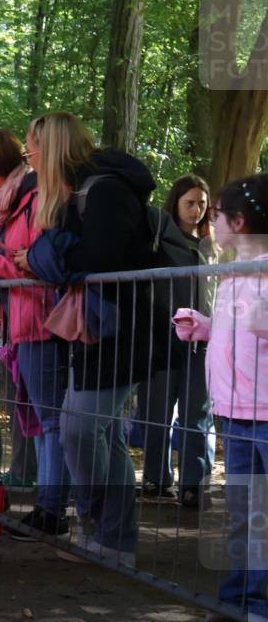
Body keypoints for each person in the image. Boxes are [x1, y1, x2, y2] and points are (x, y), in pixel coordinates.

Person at [22, 111, 158, 567]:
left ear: (50, 148)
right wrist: (47, 254)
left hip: (121, 328)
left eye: (32, 147)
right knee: (102, 432)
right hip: (100, 326)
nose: (29, 156)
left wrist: (45, 253)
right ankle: (113, 539)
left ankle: (97, 522)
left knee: (80, 428)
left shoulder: (104, 191)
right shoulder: (79, 193)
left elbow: (98, 258)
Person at [0, 128, 71, 539]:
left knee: (51, 421)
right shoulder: (7, 204)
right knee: (38, 419)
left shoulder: (35, 199)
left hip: (42, 322)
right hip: (20, 324)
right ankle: (46, 507)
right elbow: (15, 259)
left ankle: (52, 510)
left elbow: (35, 265)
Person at [172, 174, 267, 622]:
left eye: (218, 214)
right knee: (246, 515)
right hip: (237, 413)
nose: (212, 221)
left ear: (239, 221)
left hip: (264, 413)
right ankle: (243, 603)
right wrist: (205, 326)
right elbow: (239, 330)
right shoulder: (232, 273)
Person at [139, 174, 216, 507]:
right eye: (190, 203)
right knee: (156, 410)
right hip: (162, 338)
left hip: (203, 343)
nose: (196, 209)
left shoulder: (212, 247)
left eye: (202, 203)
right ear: (176, 203)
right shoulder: (160, 240)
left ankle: (193, 485)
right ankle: (156, 478)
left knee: (196, 414)